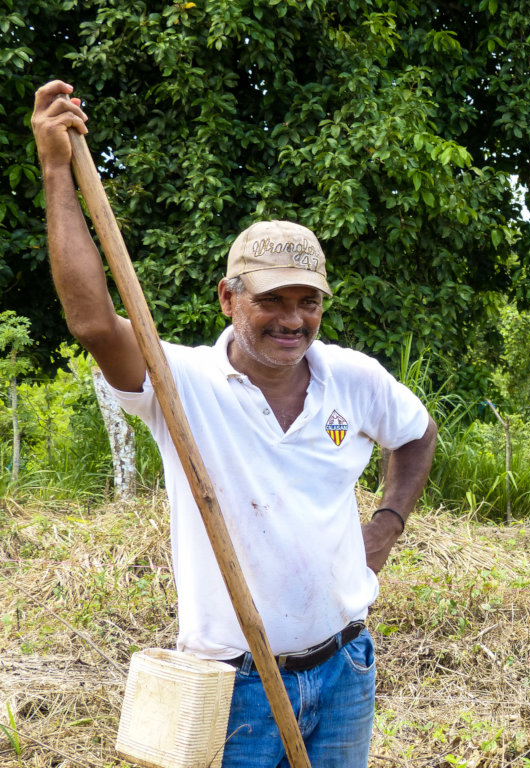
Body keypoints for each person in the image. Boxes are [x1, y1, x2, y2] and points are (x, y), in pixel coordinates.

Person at [32, 79, 438, 767]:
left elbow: (417, 433)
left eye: (308, 302)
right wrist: (54, 169)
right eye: (272, 299)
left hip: (346, 664)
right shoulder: (178, 382)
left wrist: (385, 526)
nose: (293, 319)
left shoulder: (355, 378)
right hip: (237, 684)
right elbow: (94, 322)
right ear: (229, 296)